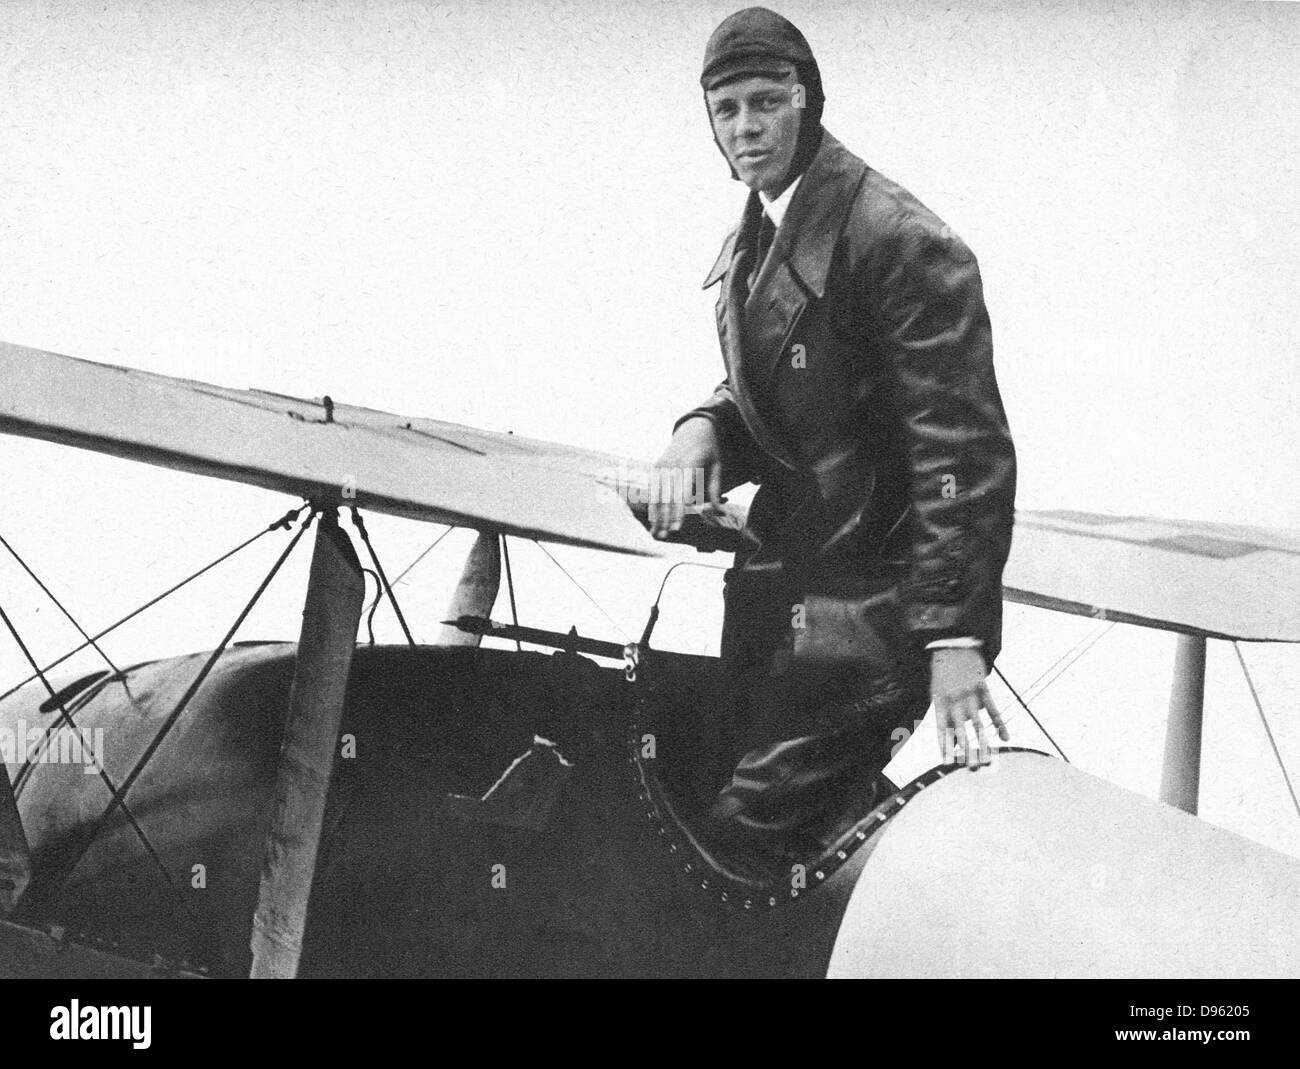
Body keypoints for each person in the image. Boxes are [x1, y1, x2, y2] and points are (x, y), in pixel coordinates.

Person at [648, 7, 1017, 864]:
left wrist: (956, 639)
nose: (746, 128)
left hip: (873, 619)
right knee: (729, 822)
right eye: (726, 109)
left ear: (806, 100)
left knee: (737, 843)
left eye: (766, 103)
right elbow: (800, 389)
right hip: (789, 609)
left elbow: (960, 452)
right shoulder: (766, 226)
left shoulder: (901, 241)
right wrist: (701, 432)